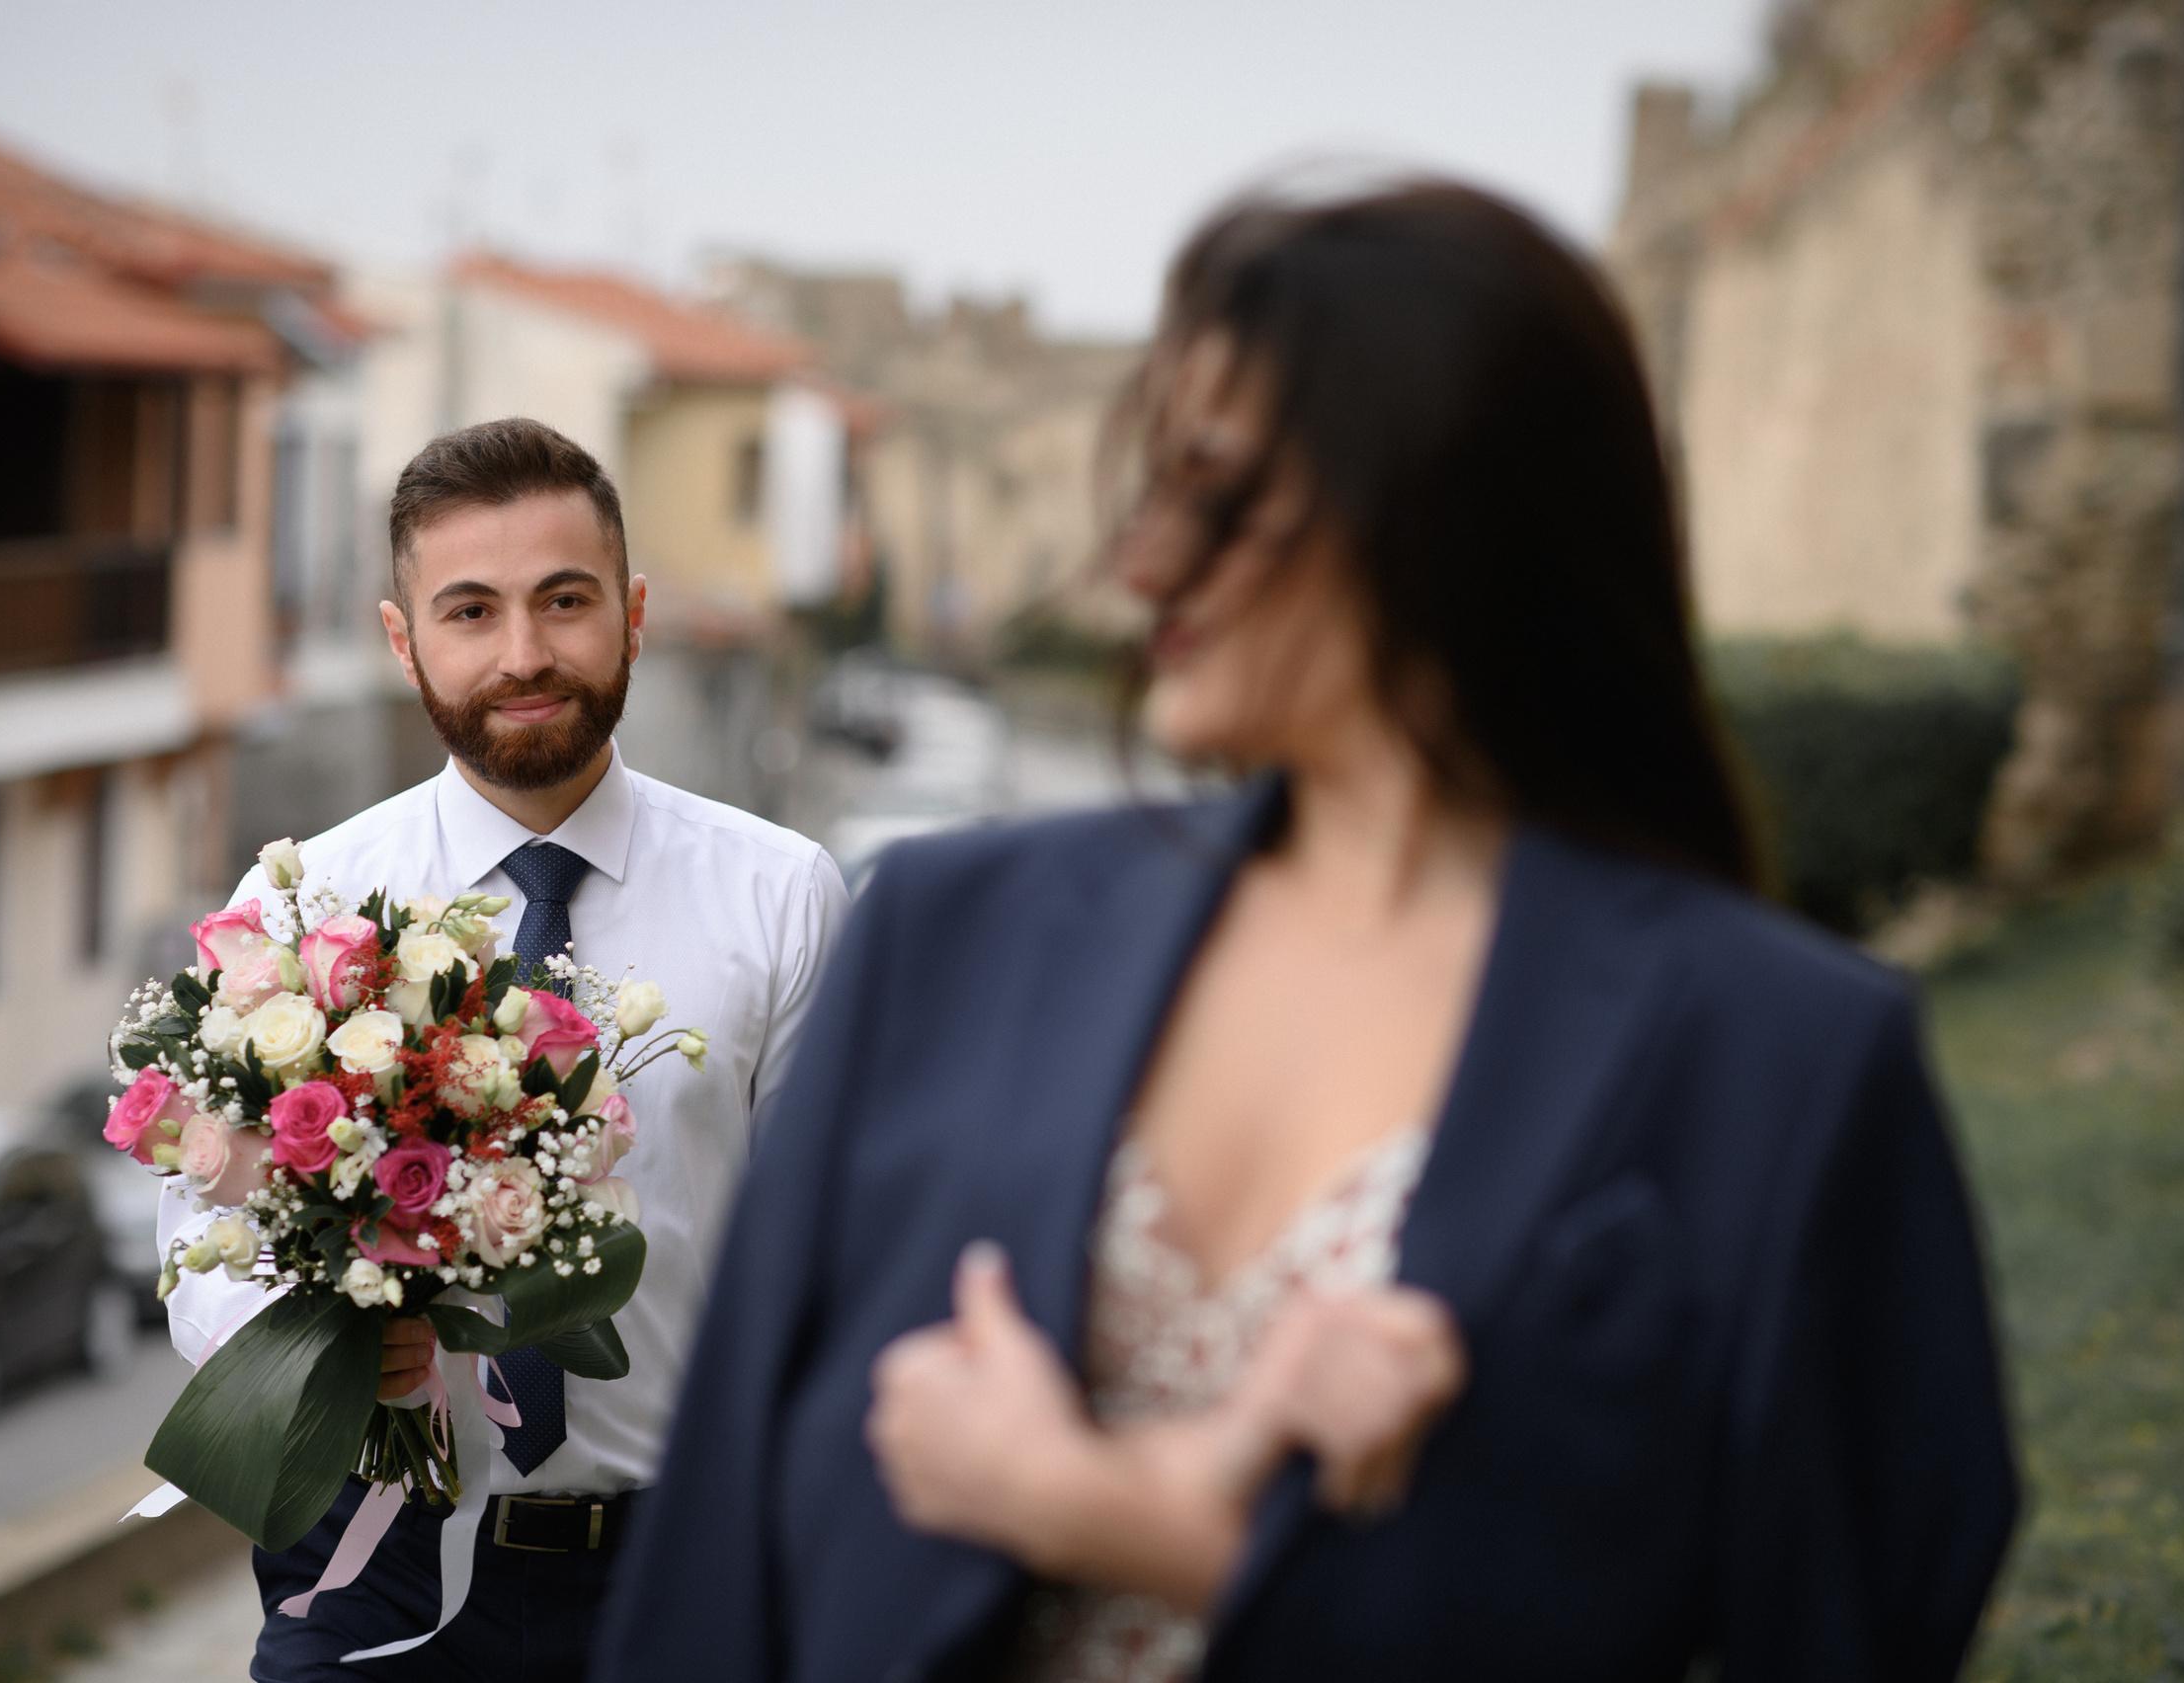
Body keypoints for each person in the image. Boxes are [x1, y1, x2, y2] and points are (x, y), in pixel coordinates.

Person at [596, 179, 2018, 1682]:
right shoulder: (946, 937)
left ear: (1447, 504)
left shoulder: (1784, 1056)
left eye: (1216, 494)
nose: (1140, 563)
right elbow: (712, 1579)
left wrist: (1114, 1514)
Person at [158, 417, 848, 1682]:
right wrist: (328, 1329)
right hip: (370, 1564)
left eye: (565, 600)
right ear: (400, 639)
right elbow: (196, 1240)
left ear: (632, 613)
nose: (524, 655)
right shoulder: (296, 911)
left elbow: (829, 1267)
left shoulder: (782, 896)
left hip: (676, 1577)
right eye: (470, 611)